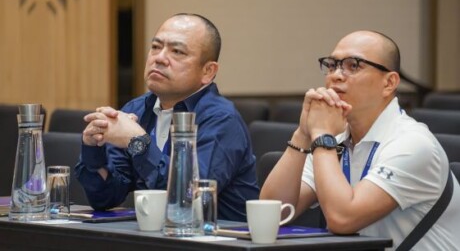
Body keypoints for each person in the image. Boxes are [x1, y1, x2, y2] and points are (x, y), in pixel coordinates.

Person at [260, 30, 460, 249]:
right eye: (332, 65)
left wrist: (322, 138)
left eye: (353, 65)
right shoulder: (334, 138)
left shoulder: (413, 144)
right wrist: (303, 133)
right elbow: (271, 214)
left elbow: (342, 220)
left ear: (389, 83)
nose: (336, 75)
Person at [75, 13, 259, 222]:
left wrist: (138, 142)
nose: (159, 58)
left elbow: (187, 200)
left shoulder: (222, 120)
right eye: (155, 47)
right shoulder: (137, 109)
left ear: (208, 71)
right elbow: (105, 199)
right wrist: (93, 149)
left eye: (177, 51)